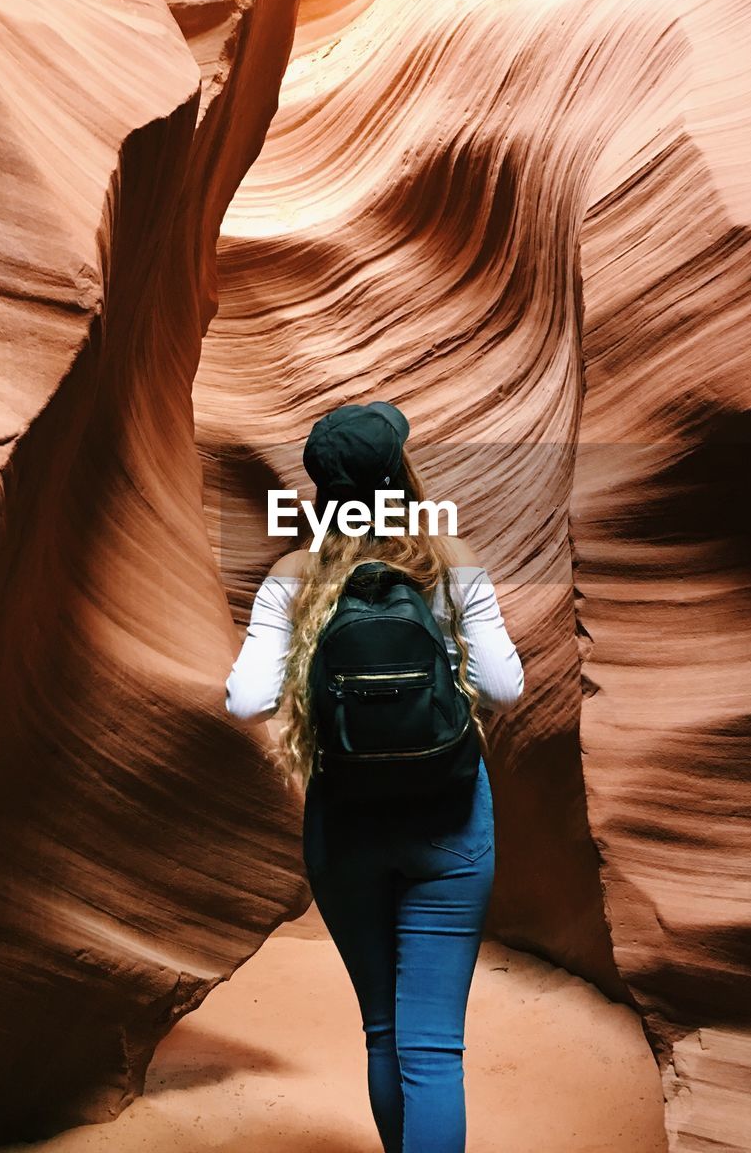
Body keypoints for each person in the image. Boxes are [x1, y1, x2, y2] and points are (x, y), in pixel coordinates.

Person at [225, 401, 525, 1153]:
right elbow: (507, 686)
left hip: (345, 824)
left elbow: (246, 700)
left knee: (385, 1034)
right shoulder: (448, 561)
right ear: (403, 476)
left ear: (321, 490)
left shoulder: (295, 575)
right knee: (433, 1051)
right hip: (449, 821)